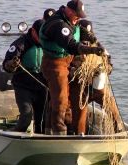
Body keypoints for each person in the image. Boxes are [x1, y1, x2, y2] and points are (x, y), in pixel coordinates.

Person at [39, 0, 105, 135]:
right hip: (54, 64)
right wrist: (93, 51)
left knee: (61, 98)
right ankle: (59, 133)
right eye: (77, 15)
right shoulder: (58, 25)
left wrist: (93, 40)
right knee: (61, 100)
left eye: (81, 16)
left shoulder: (70, 21)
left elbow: (78, 29)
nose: (79, 18)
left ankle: (50, 130)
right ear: (69, 11)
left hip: (66, 63)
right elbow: (72, 46)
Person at [69, 19, 123, 135]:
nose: (86, 41)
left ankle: (118, 128)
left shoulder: (98, 47)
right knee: (79, 114)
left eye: (89, 37)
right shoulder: (72, 47)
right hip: (79, 88)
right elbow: (66, 69)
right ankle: (80, 134)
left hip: (96, 87)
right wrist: (79, 72)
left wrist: (104, 69)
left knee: (109, 101)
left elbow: (109, 64)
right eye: (84, 37)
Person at [3, 19, 48, 133]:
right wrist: (12, 64)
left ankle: (40, 140)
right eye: (39, 35)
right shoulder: (20, 44)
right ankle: (16, 137)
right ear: (33, 31)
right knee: (26, 116)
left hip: (42, 86)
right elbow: (6, 65)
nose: (41, 39)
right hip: (23, 86)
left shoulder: (48, 43)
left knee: (42, 119)